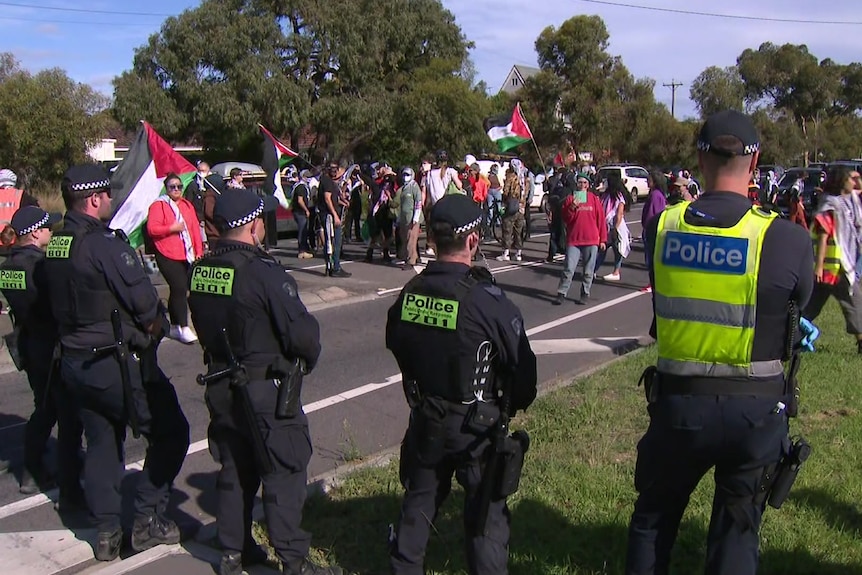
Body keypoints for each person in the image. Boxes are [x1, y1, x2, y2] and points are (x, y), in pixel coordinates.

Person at [626, 110, 814, 575]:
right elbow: (800, 301)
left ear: (698, 159)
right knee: (737, 529)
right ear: (756, 164)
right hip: (755, 412)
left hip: (677, 407)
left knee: (653, 520)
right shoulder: (786, 238)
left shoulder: (662, 228)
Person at [187, 188, 344, 575]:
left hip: (221, 384)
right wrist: (306, 358)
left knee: (235, 467)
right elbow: (302, 335)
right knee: (284, 468)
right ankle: (293, 560)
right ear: (253, 226)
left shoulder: (202, 269)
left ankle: (232, 551)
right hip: (264, 389)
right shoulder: (262, 271)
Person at [42, 164, 190, 561]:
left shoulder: (56, 245)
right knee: (172, 432)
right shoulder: (107, 246)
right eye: (106, 194)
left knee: (103, 444)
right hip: (117, 364)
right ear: (93, 199)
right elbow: (146, 308)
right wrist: (157, 329)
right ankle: (146, 519)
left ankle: (107, 533)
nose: (111, 199)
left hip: (74, 363)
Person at [386, 194, 538, 575]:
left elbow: (397, 344)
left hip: (427, 419)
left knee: (417, 506)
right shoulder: (487, 301)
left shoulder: (408, 294)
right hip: (476, 430)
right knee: (486, 517)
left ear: (432, 240)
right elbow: (525, 376)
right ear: (473, 241)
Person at [0, 206, 83, 499]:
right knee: (62, 412)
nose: (50, 231)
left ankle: (36, 467)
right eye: (47, 228)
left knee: (45, 407)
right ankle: (46, 470)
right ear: (36, 232)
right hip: (51, 346)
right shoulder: (39, 266)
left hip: (30, 343)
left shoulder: (8, 266)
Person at [803, 166, 862, 354]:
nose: (853, 183)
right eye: (850, 179)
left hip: (835, 268)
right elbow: (823, 235)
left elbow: (859, 188)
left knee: (811, 306)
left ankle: (792, 331)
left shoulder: (847, 202)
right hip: (835, 268)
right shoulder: (831, 205)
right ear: (840, 182)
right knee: (854, 303)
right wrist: (819, 266)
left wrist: (856, 177)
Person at [146, 173, 204, 344]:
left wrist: (198, 250)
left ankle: (174, 325)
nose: (176, 189)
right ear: (166, 188)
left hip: (186, 253)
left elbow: (194, 230)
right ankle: (184, 327)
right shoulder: (159, 206)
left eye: (179, 186)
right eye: (172, 186)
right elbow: (152, 229)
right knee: (179, 287)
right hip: (166, 252)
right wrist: (172, 228)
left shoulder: (187, 205)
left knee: (179, 289)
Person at [553, 173, 605, 305]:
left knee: (588, 270)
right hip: (574, 240)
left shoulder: (593, 199)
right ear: (577, 184)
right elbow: (566, 219)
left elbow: (601, 220)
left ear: (588, 185)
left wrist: (603, 239)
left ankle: (585, 292)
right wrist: (572, 207)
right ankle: (562, 293)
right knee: (569, 268)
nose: (582, 185)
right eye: (580, 183)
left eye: (585, 183)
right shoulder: (571, 199)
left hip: (591, 240)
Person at [595, 175, 631, 281]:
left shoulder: (618, 197)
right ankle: (594, 270)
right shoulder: (606, 195)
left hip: (615, 228)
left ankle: (616, 272)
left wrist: (615, 229)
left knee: (617, 249)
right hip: (607, 227)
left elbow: (619, 214)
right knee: (604, 249)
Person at [319, 161, 351, 277]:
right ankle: (334, 268)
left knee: (336, 241)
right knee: (332, 242)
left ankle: (333, 266)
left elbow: (334, 198)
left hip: (332, 214)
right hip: (329, 216)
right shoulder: (326, 181)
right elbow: (327, 199)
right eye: (332, 168)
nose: (335, 171)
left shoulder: (331, 182)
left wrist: (343, 202)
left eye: (336, 168)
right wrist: (335, 215)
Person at [394, 166, 423, 269]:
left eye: (408, 175)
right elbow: (401, 205)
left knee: (411, 240)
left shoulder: (414, 187)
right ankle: (413, 257)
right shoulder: (404, 188)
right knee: (405, 239)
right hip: (404, 218)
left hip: (412, 219)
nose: (405, 177)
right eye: (404, 175)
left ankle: (411, 261)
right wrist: (398, 219)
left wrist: (416, 217)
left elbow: (418, 203)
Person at [497, 167, 526, 261]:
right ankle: (518, 253)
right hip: (521, 207)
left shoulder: (511, 178)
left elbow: (505, 192)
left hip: (511, 207)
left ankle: (506, 253)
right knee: (518, 231)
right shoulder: (523, 178)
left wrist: (504, 201)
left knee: (507, 230)